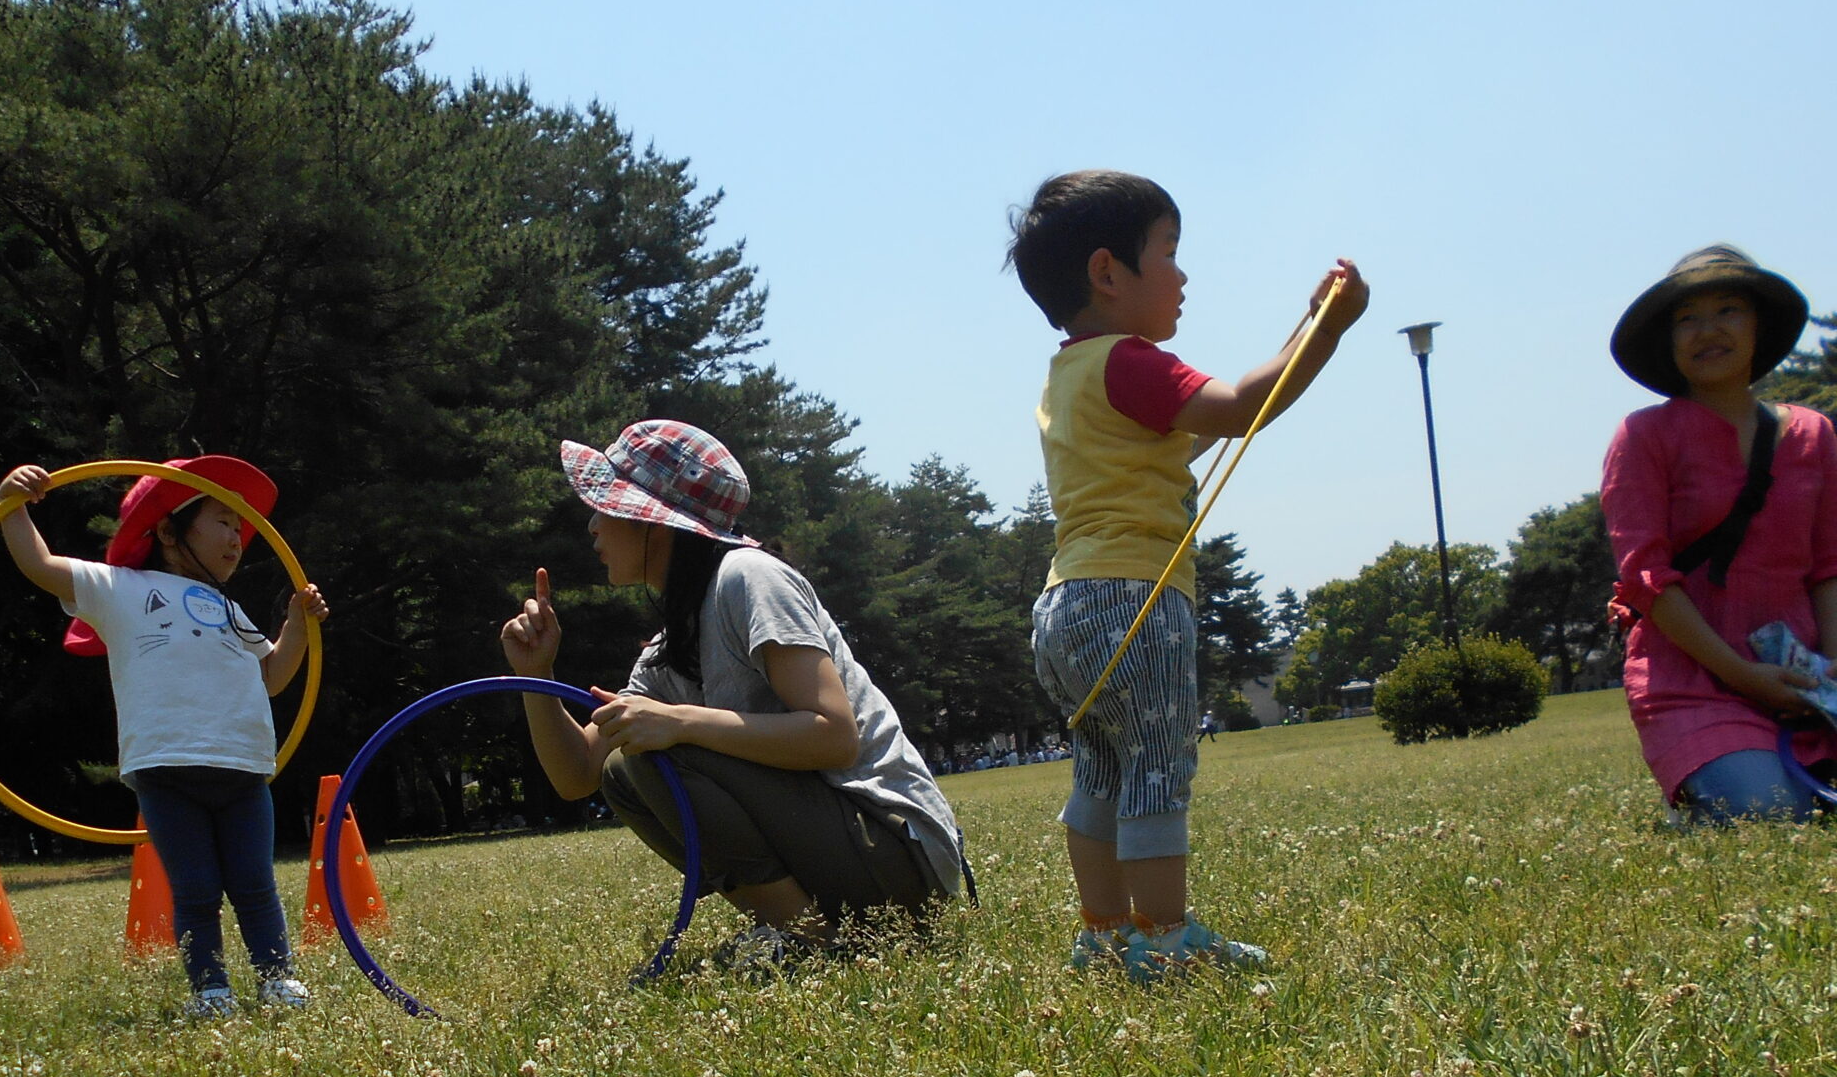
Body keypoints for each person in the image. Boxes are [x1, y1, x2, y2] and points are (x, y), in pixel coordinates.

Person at [1008, 169, 1368, 980]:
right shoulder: (1130, 360)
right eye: (1169, 252)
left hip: (1066, 607)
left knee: (1102, 770)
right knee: (1157, 765)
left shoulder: (1070, 375)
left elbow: (1185, 434)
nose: (1183, 275)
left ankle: (1103, 933)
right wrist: (1326, 329)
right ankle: (1166, 939)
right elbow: (1239, 407)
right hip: (1134, 601)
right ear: (1108, 272)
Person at [498, 420, 964, 968]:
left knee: (653, 751)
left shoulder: (749, 577)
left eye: (606, 505)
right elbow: (578, 774)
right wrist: (538, 675)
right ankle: (802, 933)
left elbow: (835, 736)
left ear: (654, 522)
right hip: (849, 857)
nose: (593, 525)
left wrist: (680, 722)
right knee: (624, 771)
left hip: (896, 853)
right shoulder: (670, 647)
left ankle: (811, 944)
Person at [1600, 246, 1837, 823]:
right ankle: (1712, 784)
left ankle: (1789, 774)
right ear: (1668, 339)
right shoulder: (1643, 436)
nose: (1708, 330)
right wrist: (1742, 676)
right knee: (1767, 812)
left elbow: (1833, 561)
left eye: (1728, 310)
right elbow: (1647, 578)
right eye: (1687, 318)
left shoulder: (1813, 433)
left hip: (1802, 672)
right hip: (1694, 677)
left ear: (1759, 326)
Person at [0, 456, 330, 1014]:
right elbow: (40, 565)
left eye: (241, 527)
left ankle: (276, 979)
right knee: (196, 889)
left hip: (243, 768)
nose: (237, 538)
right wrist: (11, 505)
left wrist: (297, 624)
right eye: (223, 521)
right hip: (166, 769)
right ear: (170, 532)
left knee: (256, 884)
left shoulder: (229, 608)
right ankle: (211, 990)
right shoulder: (120, 588)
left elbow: (272, 676)